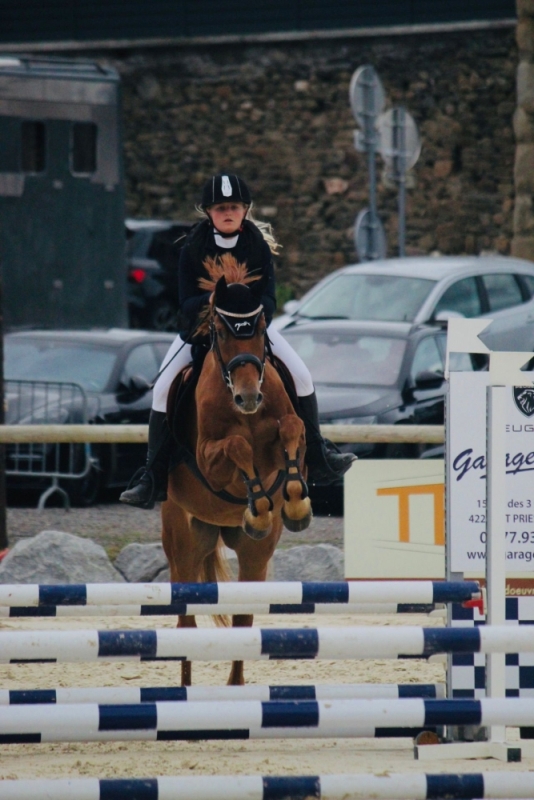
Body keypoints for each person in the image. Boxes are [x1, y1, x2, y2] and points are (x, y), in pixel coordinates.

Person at [120, 174, 355, 509]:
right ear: (209, 212)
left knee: (301, 375)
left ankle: (318, 455)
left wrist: (254, 316)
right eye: (220, 208)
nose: (227, 213)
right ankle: (152, 476)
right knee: (162, 388)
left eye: (233, 207)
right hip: (204, 327)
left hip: (252, 326)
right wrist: (216, 309)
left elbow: (270, 298)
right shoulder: (193, 246)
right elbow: (185, 302)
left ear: (245, 209)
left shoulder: (256, 244)